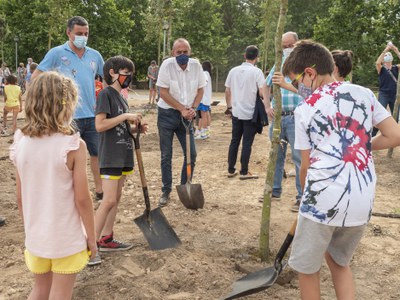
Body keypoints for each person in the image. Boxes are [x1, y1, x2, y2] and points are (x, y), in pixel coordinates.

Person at [282, 39, 400, 300]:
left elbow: (305, 165)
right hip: (361, 198)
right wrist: (358, 147)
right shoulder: (363, 93)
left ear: (310, 73)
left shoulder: (305, 108)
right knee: (339, 263)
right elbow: (394, 135)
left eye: (298, 80)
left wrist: (304, 199)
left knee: (307, 269)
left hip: (322, 198)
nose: (299, 88)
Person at [10, 71, 96, 300]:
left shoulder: (20, 141)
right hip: (66, 237)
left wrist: (31, 230)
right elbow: (83, 199)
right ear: (67, 105)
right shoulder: (73, 145)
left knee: (39, 290)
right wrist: (92, 237)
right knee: (60, 293)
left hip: (36, 235)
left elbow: (20, 197)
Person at [32, 16, 104, 200]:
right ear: (68, 33)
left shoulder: (95, 55)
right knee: (67, 157)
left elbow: (108, 79)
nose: (83, 37)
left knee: (97, 154)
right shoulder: (56, 53)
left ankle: (100, 191)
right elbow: (36, 77)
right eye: (79, 33)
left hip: (92, 114)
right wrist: (48, 103)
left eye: (86, 33)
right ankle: (68, 193)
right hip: (67, 117)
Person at [91, 56, 144, 265]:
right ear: (112, 73)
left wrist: (134, 128)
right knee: (109, 200)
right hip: (110, 156)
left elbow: (118, 127)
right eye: (125, 71)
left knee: (117, 198)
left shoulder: (121, 97)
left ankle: (106, 237)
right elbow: (100, 125)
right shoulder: (105, 94)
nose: (129, 76)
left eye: (130, 72)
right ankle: (91, 246)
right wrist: (125, 117)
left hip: (123, 154)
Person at [156, 38, 206, 206]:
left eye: (185, 52)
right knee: (166, 154)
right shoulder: (167, 66)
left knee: (191, 153)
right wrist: (181, 108)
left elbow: (200, 89)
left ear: (189, 52)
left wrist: (193, 108)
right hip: (167, 115)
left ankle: (185, 186)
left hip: (187, 115)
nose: (182, 55)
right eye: (179, 52)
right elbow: (163, 92)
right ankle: (166, 189)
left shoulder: (196, 65)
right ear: (173, 53)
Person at [266, 31, 303, 211]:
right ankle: (274, 190)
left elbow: (308, 91)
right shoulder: (278, 63)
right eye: (284, 46)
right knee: (276, 155)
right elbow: (266, 85)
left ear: (297, 44)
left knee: (299, 158)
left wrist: (288, 84)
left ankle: (301, 197)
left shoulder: (305, 66)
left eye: (290, 45)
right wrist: (267, 106)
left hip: (297, 118)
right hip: (279, 117)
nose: (287, 49)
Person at [225, 45, 267, 180]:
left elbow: (227, 91)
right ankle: (244, 171)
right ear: (257, 57)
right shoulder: (257, 72)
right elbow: (262, 92)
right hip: (250, 113)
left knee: (234, 141)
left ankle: (231, 169)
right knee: (247, 142)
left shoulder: (233, 71)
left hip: (236, 112)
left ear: (244, 56)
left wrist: (229, 107)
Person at [373, 42, 400, 136]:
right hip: (384, 94)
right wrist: (386, 50)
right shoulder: (381, 68)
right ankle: (373, 134)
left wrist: (396, 50)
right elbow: (377, 62)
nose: (388, 57)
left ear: (392, 59)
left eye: (389, 55)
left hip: (394, 95)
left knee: (395, 116)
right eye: (386, 56)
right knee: (378, 114)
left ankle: (394, 135)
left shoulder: (396, 67)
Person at [195, 61, 213, 140]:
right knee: (207, 114)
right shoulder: (208, 73)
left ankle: (204, 133)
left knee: (203, 115)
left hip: (203, 98)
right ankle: (207, 131)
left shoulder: (204, 73)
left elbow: (203, 83)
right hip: (207, 98)